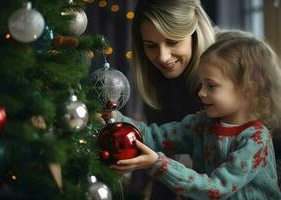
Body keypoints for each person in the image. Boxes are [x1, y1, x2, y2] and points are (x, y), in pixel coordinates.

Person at [108, 36, 281, 199]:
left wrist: (157, 164)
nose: (201, 92)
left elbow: (217, 188)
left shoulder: (257, 140)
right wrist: (116, 119)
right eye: (201, 84)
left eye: (211, 86)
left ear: (247, 90)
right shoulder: (200, 123)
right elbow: (156, 136)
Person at [128, 0, 215, 199]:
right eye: (151, 46)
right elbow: (159, 152)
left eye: (173, 42)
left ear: (194, 33)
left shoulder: (230, 68)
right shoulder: (157, 80)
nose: (163, 57)